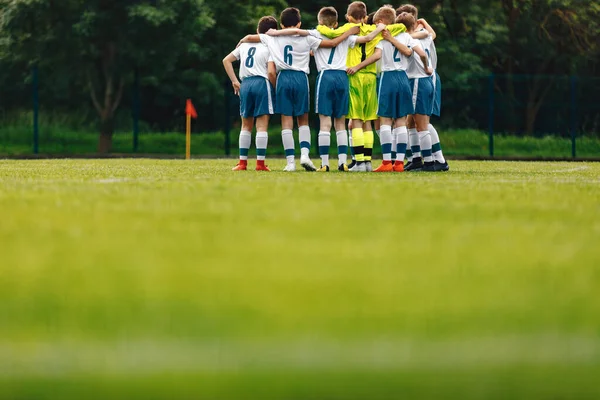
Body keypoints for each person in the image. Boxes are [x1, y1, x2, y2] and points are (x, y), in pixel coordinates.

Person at [238, 8, 357, 172]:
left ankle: (290, 163)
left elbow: (251, 37)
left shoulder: (271, 37)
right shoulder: (308, 37)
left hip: (283, 78)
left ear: (281, 24)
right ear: (299, 23)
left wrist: (242, 41)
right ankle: (305, 155)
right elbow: (330, 44)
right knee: (303, 120)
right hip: (301, 78)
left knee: (286, 122)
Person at [317, 2, 406, 172]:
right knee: (368, 121)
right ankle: (367, 162)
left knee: (356, 120)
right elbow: (401, 26)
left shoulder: (349, 27)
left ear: (348, 17)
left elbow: (331, 32)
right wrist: (382, 26)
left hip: (354, 75)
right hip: (371, 77)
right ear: (366, 17)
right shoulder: (377, 29)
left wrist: (320, 28)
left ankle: (358, 162)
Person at [397, 4, 449, 171]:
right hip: (424, 79)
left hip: (421, 79)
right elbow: (431, 33)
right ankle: (417, 159)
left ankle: (434, 160)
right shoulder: (424, 34)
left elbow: (419, 52)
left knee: (422, 123)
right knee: (411, 122)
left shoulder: (410, 38)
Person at [223, 17, 278, 171]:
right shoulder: (271, 46)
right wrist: (274, 88)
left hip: (245, 84)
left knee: (246, 125)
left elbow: (226, 61)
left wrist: (235, 81)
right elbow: (271, 72)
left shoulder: (245, 45)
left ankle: (242, 163)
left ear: (257, 30)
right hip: (262, 83)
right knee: (261, 126)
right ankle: (260, 164)